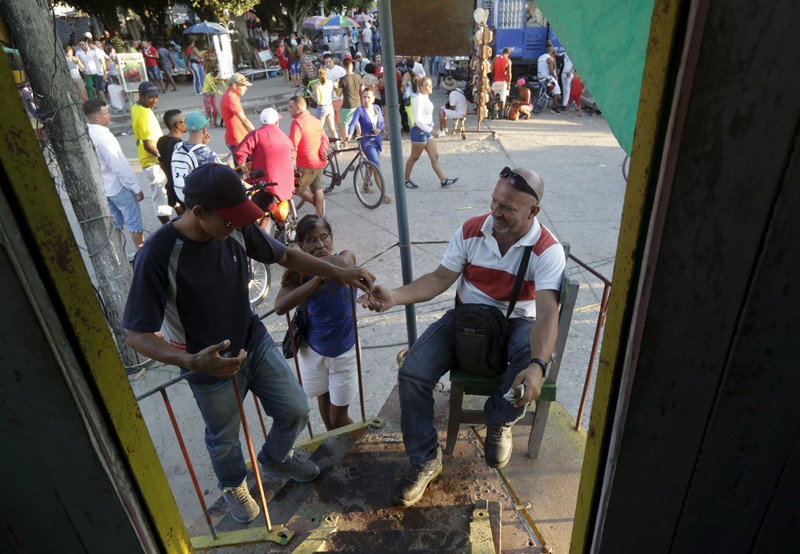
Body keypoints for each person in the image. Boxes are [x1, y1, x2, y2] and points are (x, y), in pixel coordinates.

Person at [123, 163, 376, 525]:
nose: (236, 226)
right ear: (198, 213)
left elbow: (284, 255)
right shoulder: (157, 256)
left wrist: (339, 271)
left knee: (295, 409)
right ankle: (233, 486)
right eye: (227, 221)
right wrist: (194, 362)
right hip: (207, 364)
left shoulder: (236, 228)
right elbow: (137, 335)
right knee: (224, 438)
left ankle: (275, 459)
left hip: (253, 339)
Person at [360, 167, 566, 507]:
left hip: (518, 322)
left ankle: (498, 418)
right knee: (412, 371)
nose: (496, 212)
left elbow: (546, 314)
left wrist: (538, 365)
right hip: (466, 318)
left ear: (533, 212)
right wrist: (394, 296)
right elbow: (440, 277)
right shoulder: (472, 230)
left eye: (507, 208)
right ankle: (425, 458)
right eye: (494, 202)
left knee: (525, 364)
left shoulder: (547, 250)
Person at [275, 215, 360, 430]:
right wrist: (316, 279)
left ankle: (363, 443)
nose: (320, 245)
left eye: (324, 237)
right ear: (301, 246)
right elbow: (280, 306)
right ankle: (338, 454)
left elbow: (341, 263)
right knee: (326, 412)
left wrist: (305, 269)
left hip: (343, 352)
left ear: (332, 238)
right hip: (312, 352)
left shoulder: (345, 258)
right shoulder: (300, 276)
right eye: (312, 241)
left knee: (340, 419)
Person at [84, 99, 145, 252]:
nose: (109, 116)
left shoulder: (87, 131)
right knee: (134, 222)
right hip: (118, 186)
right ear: (97, 117)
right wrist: (135, 187)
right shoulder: (102, 136)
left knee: (115, 223)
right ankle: (141, 252)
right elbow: (118, 164)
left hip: (104, 186)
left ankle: (119, 256)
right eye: (106, 113)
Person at [404, 77, 458, 190]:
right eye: (427, 85)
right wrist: (431, 131)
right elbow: (418, 120)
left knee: (435, 156)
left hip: (426, 130)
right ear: (420, 87)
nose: (430, 86)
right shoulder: (419, 99)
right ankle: (406, 180)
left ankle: (443, 180)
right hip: (420, 131)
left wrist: (431, 127)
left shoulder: (425, 97)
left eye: (430, 84)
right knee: (414, 157)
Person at [235, 107, 296, 204]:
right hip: (287, 181)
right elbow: (292, 155)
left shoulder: (255, 134)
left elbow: (239, 154)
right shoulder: (284, 136)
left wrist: (246, 172)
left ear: (261, 123)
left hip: (265, 182)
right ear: (276, 122)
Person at [131, 81, 171, 225]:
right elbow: (148, 145)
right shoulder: (143, 115)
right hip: (152, 161)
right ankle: (167, 228)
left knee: (168, 192)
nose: (154, 100)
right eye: (150, 97)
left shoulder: (138, 107)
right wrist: (164, 157)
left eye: (156, 96)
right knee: (160, 197)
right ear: (141, 96)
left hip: (154, 159)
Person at [347, 87, 391, 204]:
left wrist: (379, 129)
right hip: (366, 142)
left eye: (368, 97)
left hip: (377, 140)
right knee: (376, 166)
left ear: (373, 98)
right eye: (364, 97)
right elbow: (352, 123)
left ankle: (365, 185)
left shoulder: (377, 108)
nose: (366, 99)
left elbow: (382, 124)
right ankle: (383, 193)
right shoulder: (360, 110)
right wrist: (349, 134)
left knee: (371, 165)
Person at [288, 96, 329, 217]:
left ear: (299, 108)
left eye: (291, 107)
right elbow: (324, 138)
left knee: (297, 188)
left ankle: (318, 208)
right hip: (319, 162)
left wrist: (289, 163)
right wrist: (322, 149)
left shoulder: (297, 123)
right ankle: (319, 215)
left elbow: (292, 146)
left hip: (307, 164)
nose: (289, 110)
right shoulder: (315, 120)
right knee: (318, 189)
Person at [171, 112, 220, 202]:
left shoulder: (177, 146)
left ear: (188, 129)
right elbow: (223, 175)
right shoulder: (207, 154)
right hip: (199, 199)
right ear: (204, 130)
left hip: (182, 195)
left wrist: (202, 144)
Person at [156, 109, 186, 214]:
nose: (186, 123)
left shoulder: (161, 141)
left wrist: (170, 178)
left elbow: (162, 164)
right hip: (182, 187)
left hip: (172, 185)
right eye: (184, 120)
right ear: (178, 125)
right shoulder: (179, 145)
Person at [221, 73, 255, 155]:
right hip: (238, 140)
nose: (246, 88)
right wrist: (256, 134)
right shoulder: (231, 99)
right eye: (243, 86)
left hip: (236, 138)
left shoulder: (229, 95)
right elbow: (244, 120)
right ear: (235, 86)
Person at [337, 58, 363, 145]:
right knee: (357, 122)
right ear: (352, 65)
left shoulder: (342, 79)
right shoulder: (359, 77)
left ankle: (345, 143)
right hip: (358, 103)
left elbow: (338, 94)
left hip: (347, 105)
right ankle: (360, 141)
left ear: (344, 67)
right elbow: (362, 91)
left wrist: (334, 86)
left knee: (344, 125)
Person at [312, 68, 338, 141]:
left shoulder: (316, 84)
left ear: (318, 75)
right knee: (332, 129)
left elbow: (318, 100)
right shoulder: (330, 82)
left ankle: (321, 148)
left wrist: (311, 96)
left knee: (319, 129)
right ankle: (338, 147)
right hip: (330, 106)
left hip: (322, 107)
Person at [537, 44, 562, 110]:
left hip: (540, 77)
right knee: (557, 89)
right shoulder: (549, 59)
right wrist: (555, 77)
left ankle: (547, 97)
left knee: (550, 88)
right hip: (546, 78)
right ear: (552, 51)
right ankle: (554, 107)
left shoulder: (540, 57)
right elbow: (551, 72)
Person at [491, 48, 512, 117]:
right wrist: (509, 83)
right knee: (502, 98)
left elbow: (491, 70)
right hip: (503, 82)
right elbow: (509, 74)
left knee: (491, 97)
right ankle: (501, 114)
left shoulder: (495, 59)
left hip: (495, 81)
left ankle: (491, 112)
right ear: (508, 54)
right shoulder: (508, 61)